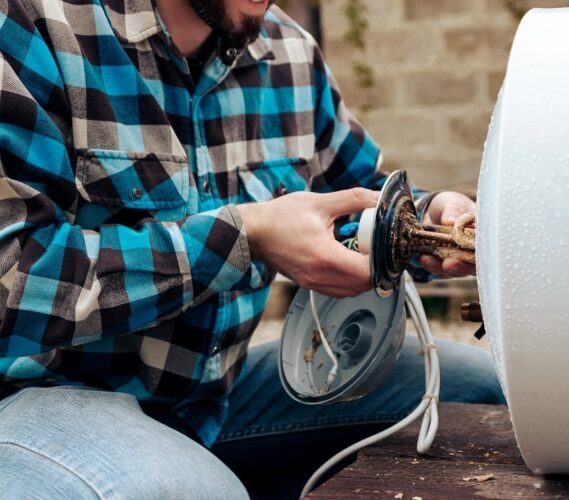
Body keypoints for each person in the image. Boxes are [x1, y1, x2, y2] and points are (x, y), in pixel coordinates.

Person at [0, 0, 504, 497]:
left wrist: (428, 219)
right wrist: (245, 236)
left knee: (480, 391)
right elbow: (15, 280)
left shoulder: (289, 54)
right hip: (46, 397)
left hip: (218, 400)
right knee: (204, 490)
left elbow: (356, 199)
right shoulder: (34, 25)